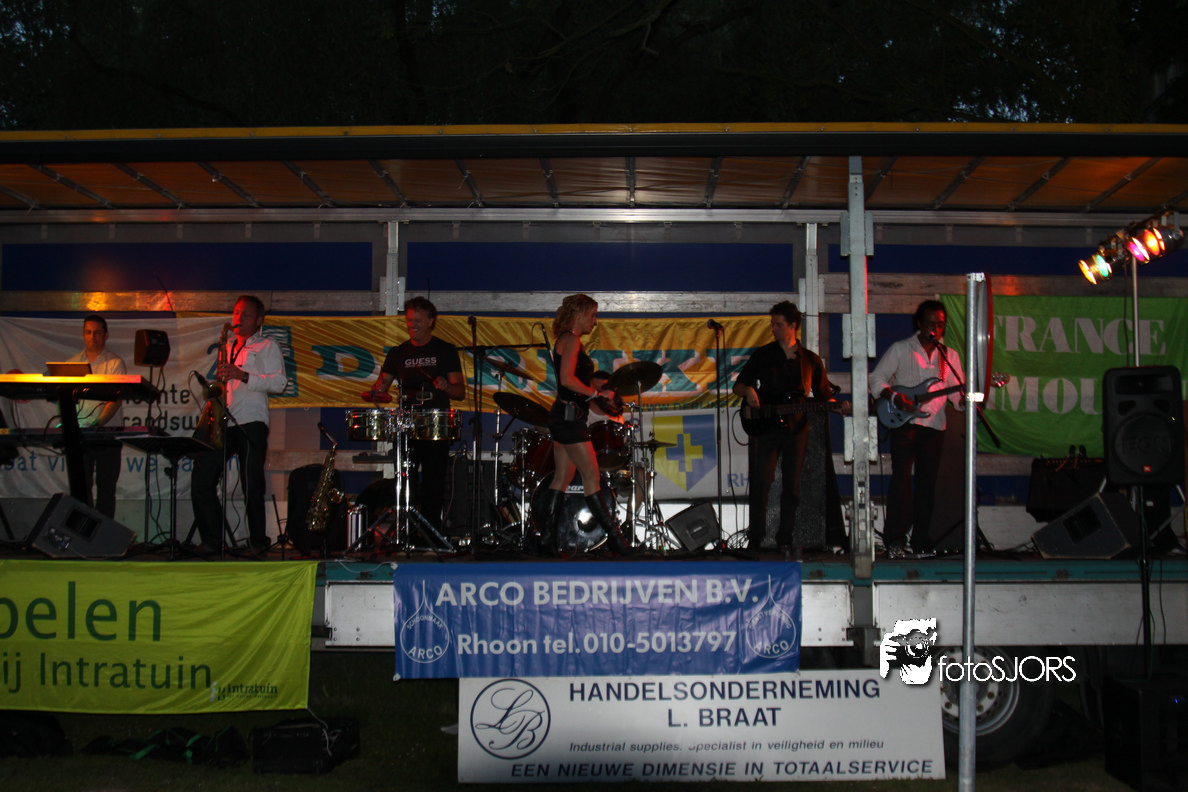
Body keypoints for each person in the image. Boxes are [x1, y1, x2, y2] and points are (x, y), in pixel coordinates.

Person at [733, 300, 834, 552]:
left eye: (778, 325)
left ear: (793, 326)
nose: (773, 329)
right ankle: (756, 537)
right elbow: (738, 385)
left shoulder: (809, 360)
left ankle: (785, 538)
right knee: (761, 482)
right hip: (767, 428)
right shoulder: (764, 355)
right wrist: (749, 392)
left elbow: (824, 394)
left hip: (797, 429)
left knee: (792, 486)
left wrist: (837, 405)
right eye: (773, 324)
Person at [191, 295, 287, 556]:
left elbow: (279, 383)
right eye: (236, 313)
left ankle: (258, 541)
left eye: (245, 314)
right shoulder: (228, 346)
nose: (238, 318)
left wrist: (243, 375)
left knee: (251, 482)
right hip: (224, 421)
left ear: (258, 320)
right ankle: (212, 540)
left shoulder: (267, 346)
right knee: (202, 477)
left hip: (251, 421)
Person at [869, 299, 965, 556]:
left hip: (934, 425)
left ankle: (922, 541)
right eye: (931, 323)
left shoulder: (950, 357)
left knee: (927, 485)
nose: (936, 329)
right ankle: (895, 538)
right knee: (901, 480)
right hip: (905, 423)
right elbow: (876, 378)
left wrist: (966, 399)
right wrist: (894, 396)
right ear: (920, 323)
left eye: (941, 324)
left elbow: (956, 397)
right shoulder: (901, 349)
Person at [536, 294, 630, 554]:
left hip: (566, 415)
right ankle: (617, 542)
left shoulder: (567, 339)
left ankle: (546, 542)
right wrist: (596, 394)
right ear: (578, 315)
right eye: (592, 315)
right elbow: (567, 380)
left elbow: (570, 381)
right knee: (591, 477)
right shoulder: (571, 340)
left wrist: (595, 394)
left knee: (563, 477)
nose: (595, 321)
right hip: (569, 418)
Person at [368, 296, 465, 536]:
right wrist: (376, 391)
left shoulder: (445, 350)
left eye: (418, 321)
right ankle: (406, 533)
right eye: (410, 320)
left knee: (433, 483)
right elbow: (382, 386)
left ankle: (431, 535)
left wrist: (446, 386)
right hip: (406, 425)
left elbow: (460, 392)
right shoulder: (398, 352)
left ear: (431, 321)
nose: (413, 325)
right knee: (405, 480)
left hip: (434, 426)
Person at [64, 314, 126, 518]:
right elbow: (65, 400)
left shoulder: (115, 363)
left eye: (97, 332)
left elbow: (116, 399)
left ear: (106, 335)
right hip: (80, 434)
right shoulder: (71, 364)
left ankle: (104, 533)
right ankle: (84, 531)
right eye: (88, 332)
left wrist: (97, 424)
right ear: (83, 334)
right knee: (81, 487)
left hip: (108, 434)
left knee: (106, 487)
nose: (92, 337)